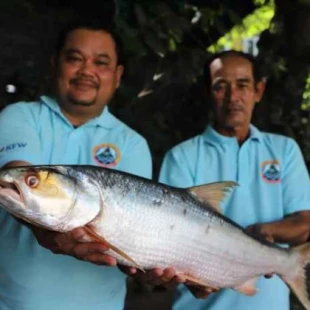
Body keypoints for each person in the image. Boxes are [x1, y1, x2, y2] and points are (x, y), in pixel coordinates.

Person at [0, 19, 156, 310]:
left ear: (117, 75)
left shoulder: (134, 144)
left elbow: (132, 237)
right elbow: (15, 176)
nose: (86, 71)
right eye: (74, 59)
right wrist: (46, 229)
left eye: (101, 62)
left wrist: (154, 270)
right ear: (55, 63)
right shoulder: (19, 116)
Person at [159, 50, 310, 310]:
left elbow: (305, 224)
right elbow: (170, 240)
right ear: (209, 92)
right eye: (221, 86)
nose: (233, 97)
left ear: (258, 91)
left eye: (242, 85)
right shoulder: (181, 156)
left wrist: (265, 231)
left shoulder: (284, 150)